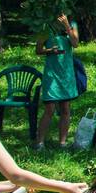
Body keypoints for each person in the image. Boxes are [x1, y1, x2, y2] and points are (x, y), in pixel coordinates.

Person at [35, 12, 80, 150]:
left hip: (66, 74)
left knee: (66, 108)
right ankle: (39, 142)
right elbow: (38, 50)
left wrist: (67, 25)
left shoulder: (72, 25)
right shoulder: (45, 27)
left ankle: (62, 142)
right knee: (49, 108)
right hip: (52, 73)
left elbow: (75, 43)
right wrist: (49, 50)